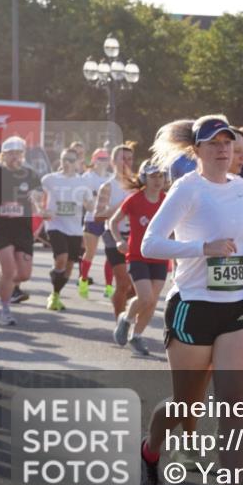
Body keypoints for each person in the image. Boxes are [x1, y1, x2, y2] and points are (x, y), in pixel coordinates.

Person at [139, 115, 243, 485]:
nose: (223, 148)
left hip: (237, 305)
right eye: (213, 142)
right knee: (185, 407)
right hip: (193, 306)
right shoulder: (186, 188)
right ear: (197, 150)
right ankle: (150, 450)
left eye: (228, 141)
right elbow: (150, 243)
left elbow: (237, 236)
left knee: (234, 404)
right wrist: (202, 248)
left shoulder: (242, 187)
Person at [0, 137, 44, 326]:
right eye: (11, 153)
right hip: (2, 227)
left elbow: (39, 194)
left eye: (18, 153)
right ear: (3, 155)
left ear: (23, 155)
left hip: (23, 229)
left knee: (23, 275)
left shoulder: (30, 173)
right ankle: (5, 311)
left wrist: (36, 196)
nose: (15, 157)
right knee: (9, 271)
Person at [109, 160, 170, 356]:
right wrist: (119, 240)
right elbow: (113, 221)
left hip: (160, 257)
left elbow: (177, 226)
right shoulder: (134, 200)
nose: (157, 180)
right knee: (146, 297)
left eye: (160, 176)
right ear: (144, 178)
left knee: (152, 302)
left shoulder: (167, 200)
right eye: (152, 176)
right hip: (137, 255)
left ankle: (137, 335)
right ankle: (125, 320)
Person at [41, 148, 95, 311]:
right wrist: (42, 210)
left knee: (69, 266)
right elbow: (36, 195)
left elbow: (90, 205)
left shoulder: (83, 182)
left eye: (71, 160)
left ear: (78, 163)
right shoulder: (50, 179)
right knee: (62, 258)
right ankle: (54, 294)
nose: (67, 163)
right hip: (55, 225)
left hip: (75, 229)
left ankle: (56, 293)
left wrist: (94, 204)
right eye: (64, 159)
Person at [95, 144, 136, 316]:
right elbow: (98, 215)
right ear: (113, 162)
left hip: (136, 236)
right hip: (114, 235)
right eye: (122, 158)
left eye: (129, 159)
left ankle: (118, 301)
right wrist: (121, 207)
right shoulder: (108, 186)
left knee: (138, 286)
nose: (126, 162)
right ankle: (120, 321)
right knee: (123, 282)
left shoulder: (139, 184)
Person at [78, 149, 112, 298]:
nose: (103, 161)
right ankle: (83, 280)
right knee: (90, 252)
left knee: (110, 254)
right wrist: (92, 208)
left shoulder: (111, 178)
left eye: (106, 159)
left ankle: (109, 287)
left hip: (107, 219)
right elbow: (84, 198)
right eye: (100, 159)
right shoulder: (87, 177)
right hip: (92, 219)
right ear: (94, 161)